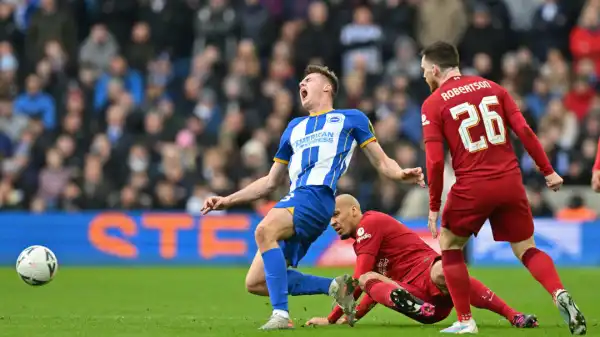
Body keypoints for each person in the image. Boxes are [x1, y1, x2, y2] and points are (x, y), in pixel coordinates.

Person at [201, 65, 425, 330]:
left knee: (264, 230)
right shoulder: (294, 127)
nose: (301, 85)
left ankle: (281, 316)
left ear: (327, 87)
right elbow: (270, 181)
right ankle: (334, 286)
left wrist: (401, 174)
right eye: (300, 82)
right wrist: (227, 199)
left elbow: (381, 161)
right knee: (256, 282)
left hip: (316, 196)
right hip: (297, 199)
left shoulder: (350, 118)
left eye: (308, 80)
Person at [420, 42, 586, 334]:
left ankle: (464, 321)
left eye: (424, 71)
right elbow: (524, 131)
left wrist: (434, 205)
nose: (424, 77)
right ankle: (558, 292)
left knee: (449, 244)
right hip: (510, 181)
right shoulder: (494, 87)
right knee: (526, 248)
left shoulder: (434, 103)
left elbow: (434, 161)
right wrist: (548, 171)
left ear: (435, 69)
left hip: (472, 185)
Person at [304, 194, 538, 329]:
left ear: (354, 210)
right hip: (417, 297)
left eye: (335, 215)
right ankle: (420, 306)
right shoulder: (361, 242)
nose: (332, 222)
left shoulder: (369, 224)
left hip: (427, 274)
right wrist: (350, 317)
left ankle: (514, 315)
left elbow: (358, 279)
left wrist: (332, 318)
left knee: (442, 270)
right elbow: (372, 289)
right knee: (370, 279)